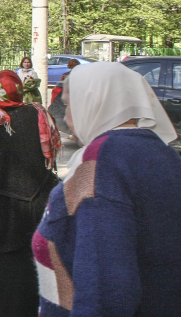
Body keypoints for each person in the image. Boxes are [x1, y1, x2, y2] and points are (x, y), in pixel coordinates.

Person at [33, 63, 181, 316]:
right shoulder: (164, 154)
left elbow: (105, 288)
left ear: (92, 102)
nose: (66, 119)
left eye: (68, 106)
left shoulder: (101, 161)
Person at [0, 70, 61, 317]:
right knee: (36, 272)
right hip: (41, 209)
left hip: (2, 215)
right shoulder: (40, 115)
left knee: (3, 280)